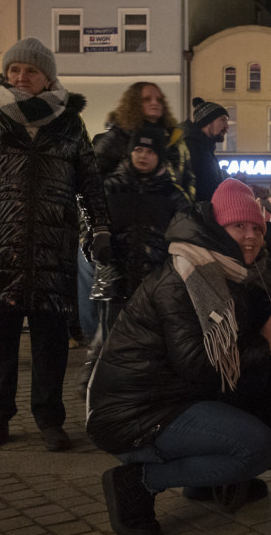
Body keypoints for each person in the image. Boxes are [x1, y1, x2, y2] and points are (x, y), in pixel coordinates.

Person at [87, 178, 271, 535]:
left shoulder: (229, 271)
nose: (251, 235)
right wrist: (264, 346)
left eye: (257, 227)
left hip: (175, 397)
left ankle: (207, 481)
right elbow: (198, 365)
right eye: (239, 225)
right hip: (135, 412)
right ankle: (139, 480)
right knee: (257, 448)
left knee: (265, 409)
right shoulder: (185, 278)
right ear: (217, 228)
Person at [0, 37, 111, 451]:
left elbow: (90, 183)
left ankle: (49, 418)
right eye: (14, 69)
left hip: (53, 244)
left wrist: (101, 230)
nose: (20, 77)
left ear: (48, 77)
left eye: (31, 71)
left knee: (50, 339)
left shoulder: (69, 123)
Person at [80, 124, 191, 391]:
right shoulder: (109, 188)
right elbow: (87, 224)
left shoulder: (174, 195)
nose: (143, 155)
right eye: (138, 149)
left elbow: (187, 237)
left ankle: (142, 393)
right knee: (112, 343)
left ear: (160, 156)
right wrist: (93, 243)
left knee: (150, 343)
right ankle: (103, 393)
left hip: (155, 284)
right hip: (115, 281)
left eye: (150, 151)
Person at [93, 81, 194, 197]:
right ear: (134, 103)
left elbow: (188, 178)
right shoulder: (117, 136)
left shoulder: (173, 138)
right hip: (124, 206)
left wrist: (185, 206)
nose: (155, 103)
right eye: (147, 99)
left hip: (167, 208)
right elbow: (92, 176)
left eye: (159, 100)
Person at [180, 97, 230, 203]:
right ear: (207, 121)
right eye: (222, 120)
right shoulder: (190, 146)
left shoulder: (206, 149)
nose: (227, 126)